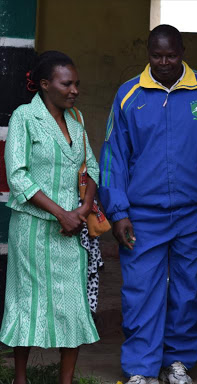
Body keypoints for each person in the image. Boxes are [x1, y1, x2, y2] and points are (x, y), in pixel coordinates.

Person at [98, 25, 197, 384]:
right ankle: (140, 368)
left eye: (171, 55)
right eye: (157, 56)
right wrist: (118, 211)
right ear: (148, 53)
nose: (165, 62)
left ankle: (178, 363)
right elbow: (114, 158)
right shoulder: (129, 94)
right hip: (143, 215)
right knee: (141, 290)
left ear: (183, 50)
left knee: (190, 290)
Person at [1, 51, 100, 384]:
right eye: (66, 83)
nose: (74, 90)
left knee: (72, 303)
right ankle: (20, 378)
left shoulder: (78, 120)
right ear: (45, 84)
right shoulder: (25, 117)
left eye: (76, 84)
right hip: (33, 229)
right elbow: (17, 175)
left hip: (71, 231)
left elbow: (92, 168)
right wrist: (61, 213)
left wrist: (83, 211)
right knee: (28, 302)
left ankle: (66, 380)